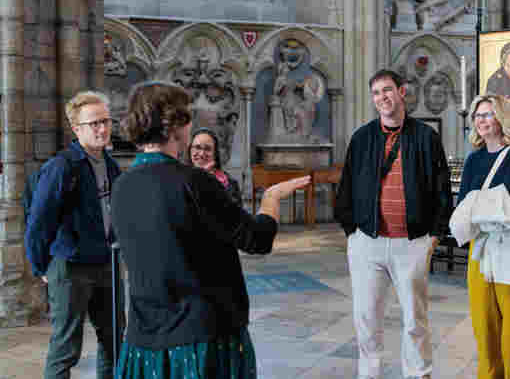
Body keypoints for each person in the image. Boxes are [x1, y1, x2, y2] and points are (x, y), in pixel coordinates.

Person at [111, 81, 310, 379]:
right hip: (200, 338)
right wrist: (270, 199)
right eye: (187, 115)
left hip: (145, 336)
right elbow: (256, 239)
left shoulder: (122, 186)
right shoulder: (195, 181)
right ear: (174, 126)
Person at [334, 69, 454, 379]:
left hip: (411, 242)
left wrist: (433, 237)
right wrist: (352, 232)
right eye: (376, 93)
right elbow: (346, 186)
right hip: (367, 242)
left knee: (415, 321)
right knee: (366, 319)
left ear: (402, 92)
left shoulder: (426, 137)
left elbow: (441, 189)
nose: (382, 98)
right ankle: (369, 375)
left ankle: (418, 374)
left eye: (387, 90)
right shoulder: (362, 138)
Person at [24, 91, 123, 379]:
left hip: (107, 263)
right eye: (94, 123)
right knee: (66, 347)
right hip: (70, 266)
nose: (102, 129)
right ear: (76, 128)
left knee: (115, 341)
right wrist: (40, 265)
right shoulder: (62, 167)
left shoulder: (111, 164)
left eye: (105, 121)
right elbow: (39, 222)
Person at [457, 95, 510, 379]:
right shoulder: (473, 159)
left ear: (501, 118)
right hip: (480, 249)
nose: (481, 120)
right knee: (485, 327)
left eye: (488, 114)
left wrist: (477, 206)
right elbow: (462, 207)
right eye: (477, 115)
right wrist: (481, 207)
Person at [189, 127, 243, 207]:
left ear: (215, 154)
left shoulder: (229, 184)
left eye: (207, 149)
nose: (201, 153)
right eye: (197, 147)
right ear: (190, 150)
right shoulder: (181, 178)